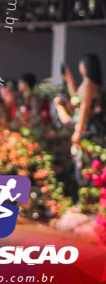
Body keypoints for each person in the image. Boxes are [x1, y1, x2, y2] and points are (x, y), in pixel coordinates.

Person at [56, 54, 104, 187]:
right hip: (82, 127)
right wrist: (69, 80)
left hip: (86, 130)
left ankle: (87, 193)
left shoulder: (89, 84)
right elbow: (76, 99)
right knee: (80, 163)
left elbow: (84, 107)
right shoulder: (85, 84)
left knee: (85, 164)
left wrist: (78, 130)